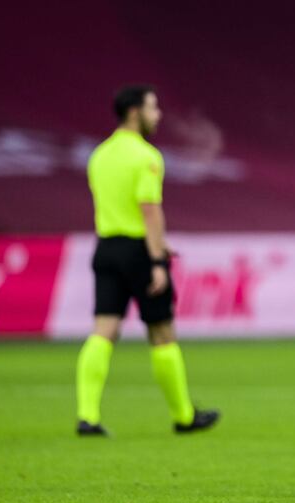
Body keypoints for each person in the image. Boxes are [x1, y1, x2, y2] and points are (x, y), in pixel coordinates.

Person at [76, 85, 219, 436]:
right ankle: (184, 415)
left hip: (106, 247)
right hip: (139, 253)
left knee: (103, 330)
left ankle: (87, 416)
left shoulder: (100, 154)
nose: (159, 115)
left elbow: (120, 209)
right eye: (153, 108)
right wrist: (157, 260)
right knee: (162, 333)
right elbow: (148, 212)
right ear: (135, 112)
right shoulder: (147, 156)